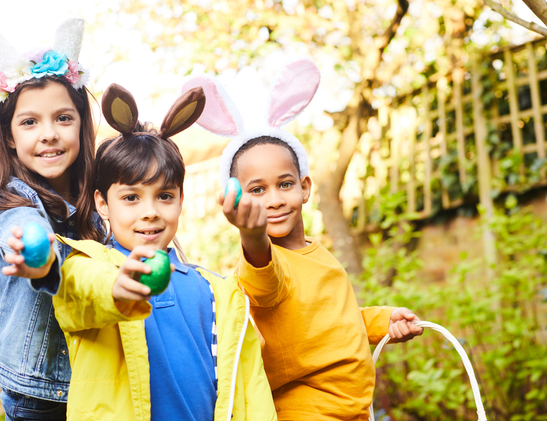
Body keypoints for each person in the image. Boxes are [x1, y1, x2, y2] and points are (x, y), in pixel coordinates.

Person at [183, 58, 424, 421]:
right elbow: (263, 279)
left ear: (305, 187)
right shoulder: (264, 263)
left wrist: (383, 322)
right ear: (239, 197)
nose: (275, 199)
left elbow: (331, 321)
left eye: (284, 184)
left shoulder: (317, 252)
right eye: (257, 190)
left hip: (354, 411)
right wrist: (251, 233)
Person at [51, 83, 276, 421]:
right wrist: (117, 288)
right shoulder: (86, 266)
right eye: (131, 198)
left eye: (165, 196)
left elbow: (252, 396)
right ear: (102, 203)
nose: (150, 211)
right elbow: (80, 294)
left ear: (181, 201)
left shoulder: (218, 292)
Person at [0, 12, 100, 420]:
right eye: (30, 122)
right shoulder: (9, 201)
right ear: (10, 137)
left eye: (63, 118)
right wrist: (36, 253)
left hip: (93, 382)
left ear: (81, 124)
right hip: (36, 397)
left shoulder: (96, 205)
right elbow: (23, 228)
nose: (48, 133)